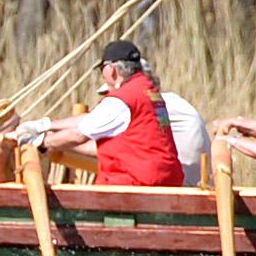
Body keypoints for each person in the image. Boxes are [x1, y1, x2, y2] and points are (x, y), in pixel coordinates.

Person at [22, 41, 182, 186]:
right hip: (164, 179)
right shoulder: (146, 91)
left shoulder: (122, 99)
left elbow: (78, 135)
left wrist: (40, 142)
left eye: (101, 69)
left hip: (136, 183)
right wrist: (46, 125)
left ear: (111, 69)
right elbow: (92, 120)